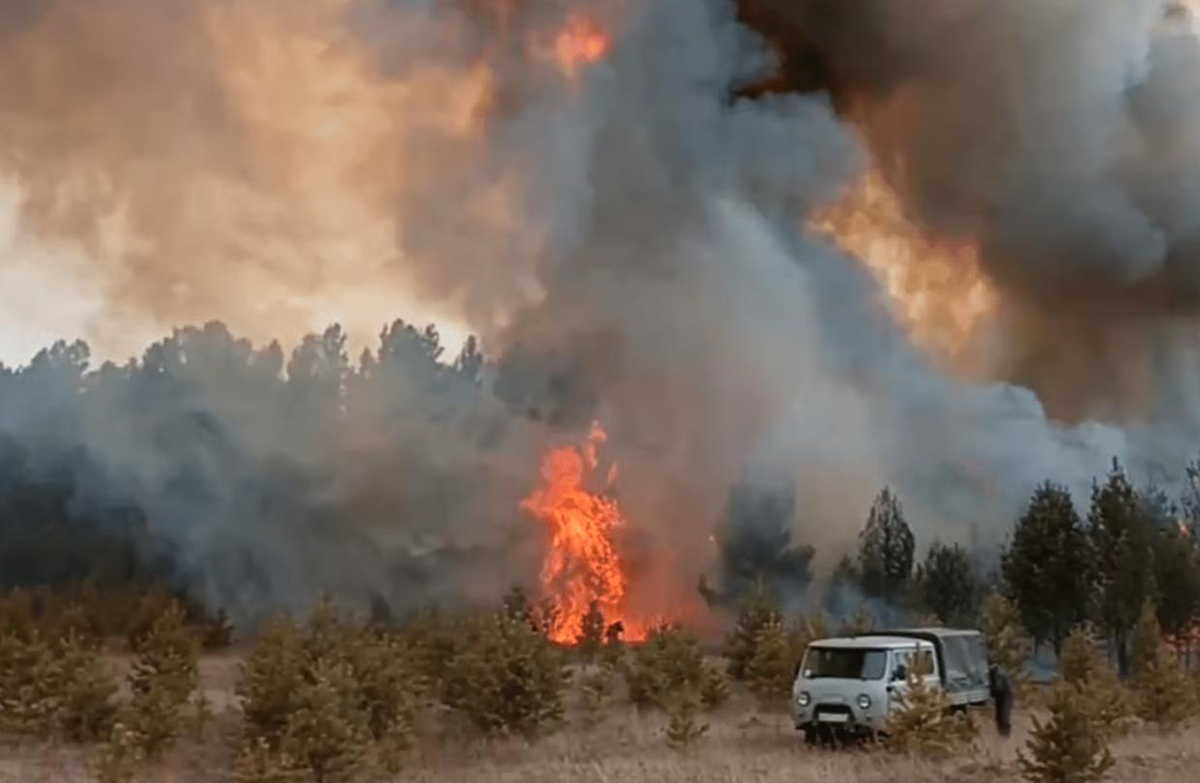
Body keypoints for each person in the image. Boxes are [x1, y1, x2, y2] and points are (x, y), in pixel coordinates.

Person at [988, 663, 1014, 737]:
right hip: (1003, 694)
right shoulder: (997, 672)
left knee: (1004, 714)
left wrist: (992, 693)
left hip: (1006, 694)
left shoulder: (999, 674)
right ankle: (1001, 731)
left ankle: (1004, 731)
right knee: (1000, 714)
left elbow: (998, 687)